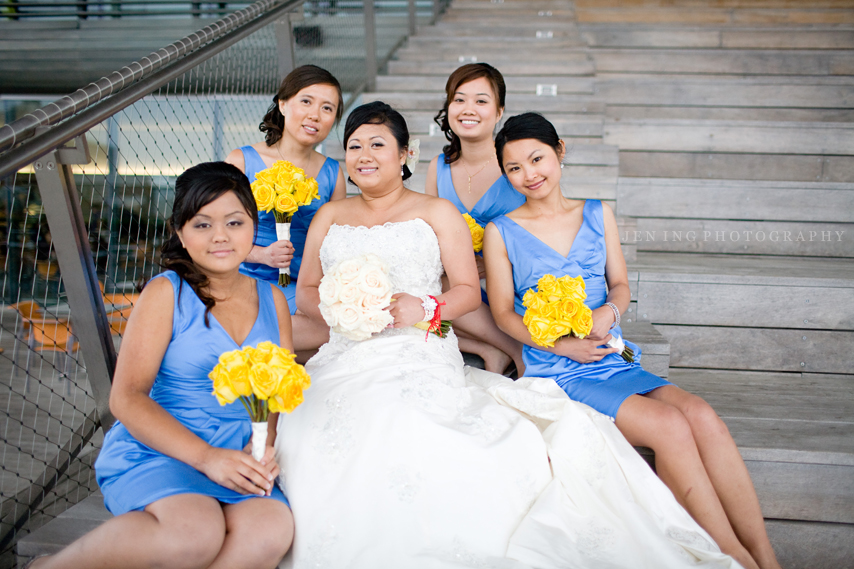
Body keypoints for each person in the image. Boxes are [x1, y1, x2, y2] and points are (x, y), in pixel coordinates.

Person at [273, 101, 742, 568]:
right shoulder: (329, 217)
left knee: (407, 417)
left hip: (416, 346)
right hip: (348, 349)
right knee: (314, 425)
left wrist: (426, 307)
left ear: (404, 154)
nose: (364, 155)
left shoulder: (436, 212)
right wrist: (350, 307)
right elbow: (308, 290)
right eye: (354, 146)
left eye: (378, 144)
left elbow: (466, 293)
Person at [484, 113, 782, 569]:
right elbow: (504, 314)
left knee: (701, 413)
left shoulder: (597, 212)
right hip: (560, 369)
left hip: (611, 356)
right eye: (514, 168)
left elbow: (619, 284)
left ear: (560, 151)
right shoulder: (501, 231)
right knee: (670, 426)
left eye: (537, 158)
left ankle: (766, 555)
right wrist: (560, 346)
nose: (529, 174)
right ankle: (734, 557)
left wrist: (610, 311)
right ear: (505, 174)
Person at [27, 163, 293, 569]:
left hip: (238, 454)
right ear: (180, 232)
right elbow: (126, 398)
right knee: (194, 533)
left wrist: (263, 448)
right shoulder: (165, 292)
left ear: (253, 226)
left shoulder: (272, 298)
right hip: (166, 450)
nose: (220, 236)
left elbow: (280, 390)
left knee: (270, 529)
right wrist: (206, 458)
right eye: (202, 225)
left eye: (234, 222)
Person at [225, 64, 345, 356]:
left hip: (298, 285)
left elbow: (338, 243)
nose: (315, 115)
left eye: (327, 108)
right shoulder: (241, 161)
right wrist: (262, 254)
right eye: (306, 101)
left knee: (336, 328)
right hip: (242, 275)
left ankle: (241, 345)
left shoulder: (333, 173)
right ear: (282, 103)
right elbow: (215, 233)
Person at [424, 63, 525, 376]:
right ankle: (492, 347)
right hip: (457, 280)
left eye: (481, 101)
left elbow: (539, 232)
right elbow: (428, 236)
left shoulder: (517, 165)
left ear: (498, 112)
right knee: (417, 286)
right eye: (459, 99)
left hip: (509, 281)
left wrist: (494, 262)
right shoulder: (437, 167)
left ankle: (518, 351)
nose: (469, 109)